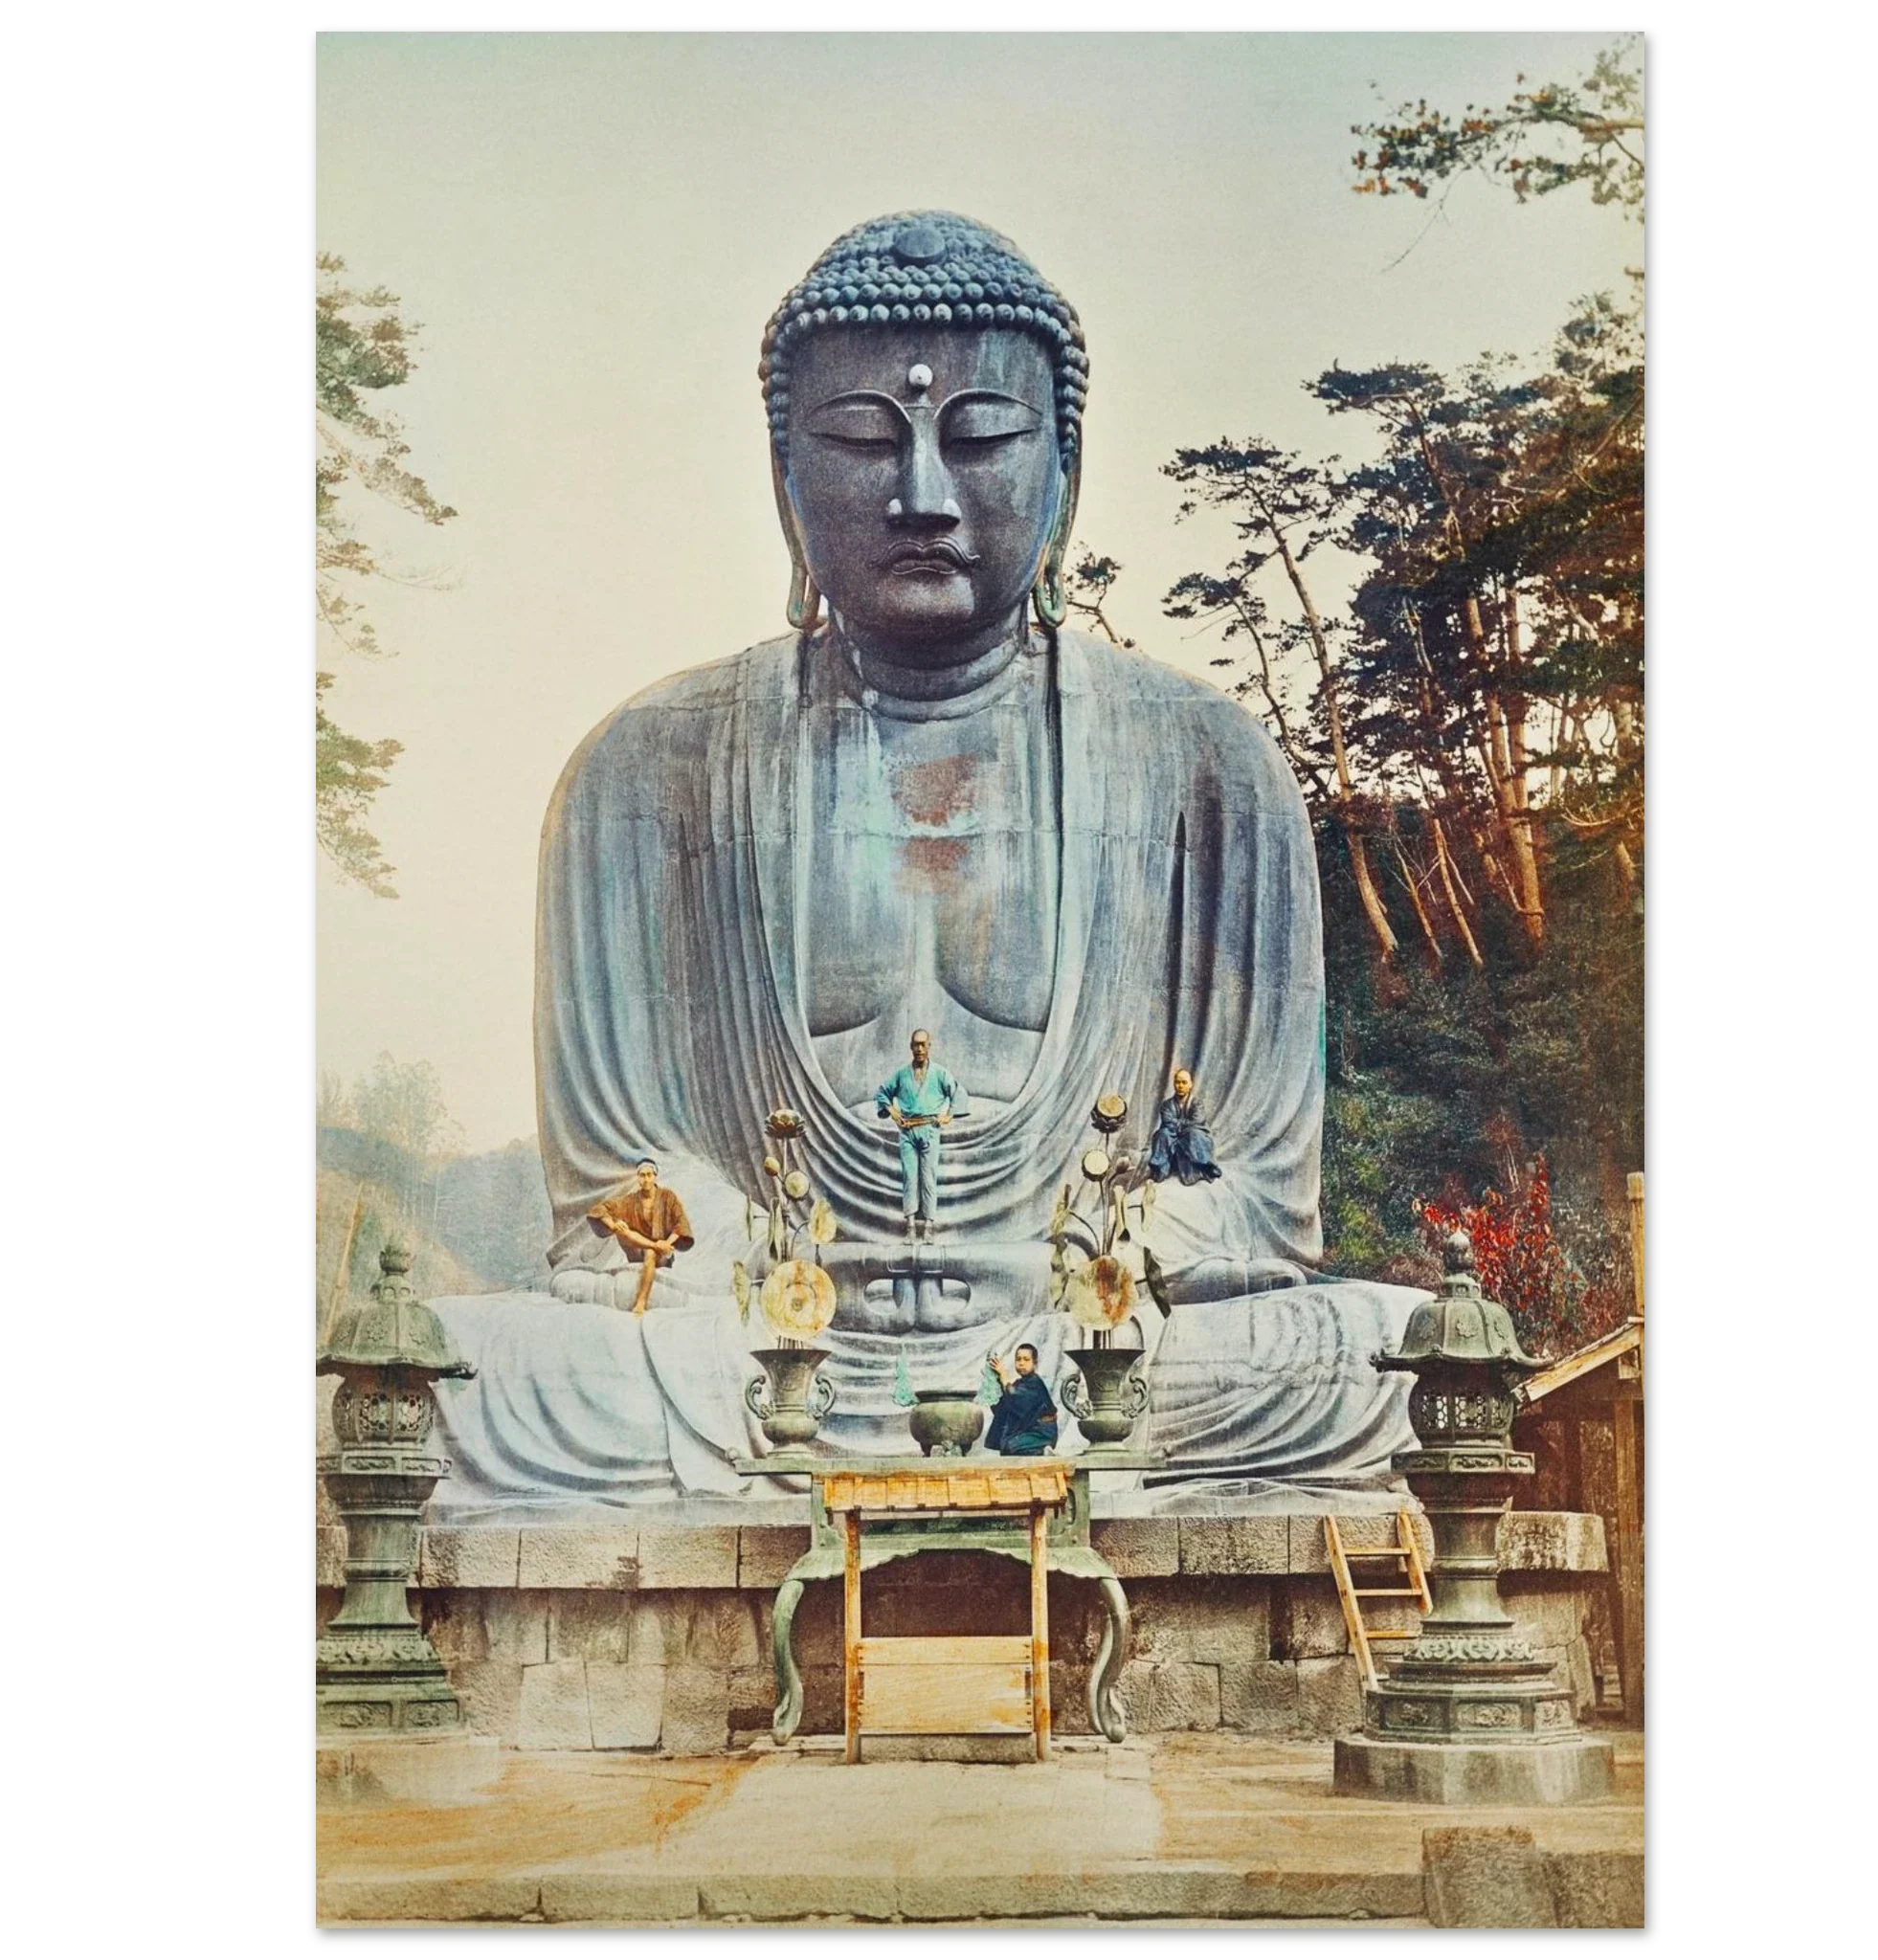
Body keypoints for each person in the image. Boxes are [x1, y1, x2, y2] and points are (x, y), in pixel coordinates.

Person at [426, 211, 1432, 1510]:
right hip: (756, 1357)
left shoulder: (1206, 764)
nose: (921, 496)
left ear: (1064, 467)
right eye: (859, 441)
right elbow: (617, 1192)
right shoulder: (644, 769)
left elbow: (1260, 1198)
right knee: (458, 1370)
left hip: (1096, 1345)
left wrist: (1104, 1262)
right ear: (784, 475)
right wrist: (761, 1278)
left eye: (981, 437)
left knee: (1386, 1354)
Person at [874, 1029, 969, 1240]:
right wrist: (893, 1112)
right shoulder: (901, 1075)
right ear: (910, 1047)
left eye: (923, 1044)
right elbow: (882, 1093)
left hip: (930, 1131)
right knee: (910, 1177)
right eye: (915, 1044)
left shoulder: (939, 1073)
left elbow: (958, 1093)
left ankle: (928, 1227)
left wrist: (949, 1115)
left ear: (929, 1046)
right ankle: (910, 1228)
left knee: (928, 1178)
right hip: (907, 1132)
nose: (919, 1049)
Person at [586, 1156, 694, 1318]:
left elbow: (681, 1223)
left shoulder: (668, 1196)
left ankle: (641, 1302)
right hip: (638, 1250)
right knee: (622, 1230)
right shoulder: (630, 1200)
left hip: (662, 1254)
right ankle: (652, 1245)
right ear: (638, 1178)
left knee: (651, 1253)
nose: (646, 1179)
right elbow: (598, 1210)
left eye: (649, 1175)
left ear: (655, 1176)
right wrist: (613, 1225)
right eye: (642, 1175)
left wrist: (666, 1243)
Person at [1146, 1068, 1222, 1187]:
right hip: (1172, 1134)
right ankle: (1161, 1170)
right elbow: (1168, 1122)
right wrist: (1184, 1125)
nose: (1180, 1086)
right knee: (1162, 1134)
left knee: (1194, 1134)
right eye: (1177, 1082)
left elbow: (1197, 1121)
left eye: (1184, 1082)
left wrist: (1180, 1125)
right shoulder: (1166, 1105)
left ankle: (1204, 1168)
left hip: (1190, 1134)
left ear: (1190, 1085)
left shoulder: (1197, 1103)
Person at [984, 1344, 1058, 1456]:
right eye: (1018, 1359)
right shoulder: (1019, 1384)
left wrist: (1003, 1375)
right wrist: (995, 1380)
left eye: (1026, 1360)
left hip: (1042, 1433)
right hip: (1027, 1429)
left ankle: (1043, 1451)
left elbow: (1014, 1397)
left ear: (1035, 1364)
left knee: (1010, 1446)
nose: (1021, 1363)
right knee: (1005, 1445)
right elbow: (1003, 1407)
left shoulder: (1035, 1382)